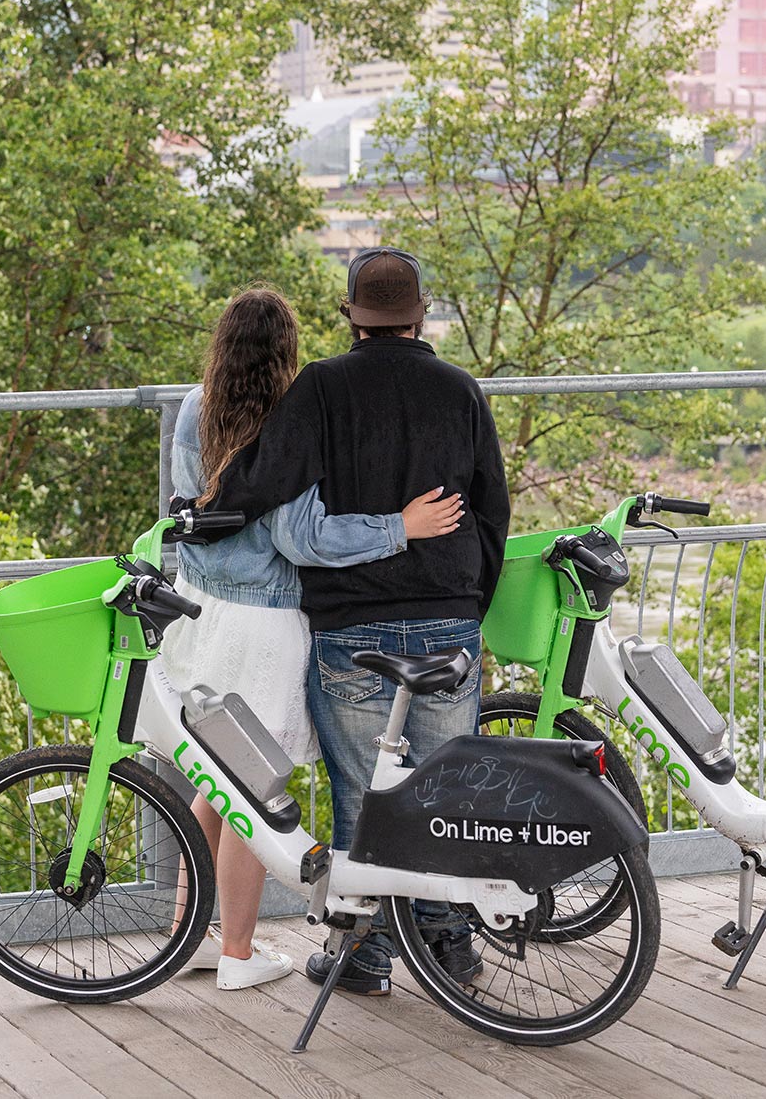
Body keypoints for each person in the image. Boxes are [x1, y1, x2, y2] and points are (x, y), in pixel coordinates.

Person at [177, 249, 510, 995]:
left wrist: (206, 513)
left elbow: (273, 478)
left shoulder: (323, 387)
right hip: (445, 622)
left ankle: (364, 954)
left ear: (352, 319)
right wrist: (468, 605)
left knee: (363, 792)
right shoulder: (462, 390)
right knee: (445, 789)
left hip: (350, 629)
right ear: (420, 314)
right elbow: (493, 511)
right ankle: (451, 944)